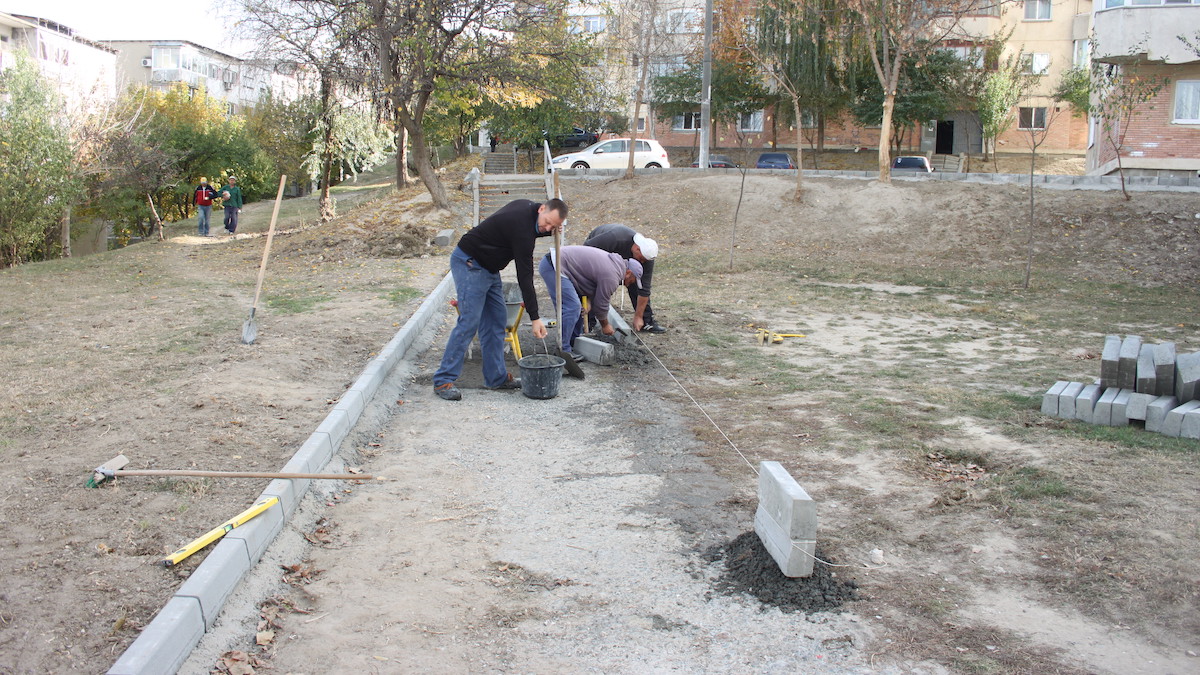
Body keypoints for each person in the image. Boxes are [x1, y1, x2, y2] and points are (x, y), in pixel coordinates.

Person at [433, 198, 568, 401]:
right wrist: (535, 317)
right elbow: (525, 277)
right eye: (548, 222)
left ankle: (496, 378)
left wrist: (549, 230)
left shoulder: (528, 208)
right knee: (469, 321)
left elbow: (532, 229)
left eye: (553, 227)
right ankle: (443, 380)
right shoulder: (522, 227)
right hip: (470, 263)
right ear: (542, 209)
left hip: (489, 268)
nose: (548, 228)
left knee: (497, 321)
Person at [538, 245, 642, 361]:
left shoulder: (614, 266)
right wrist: (605, 325)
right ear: (628, 273)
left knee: (579, 308)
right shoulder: (612, 276)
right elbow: (601, 305)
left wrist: (588, 301)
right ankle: (563, 350)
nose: (629, 284)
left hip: (562, 266)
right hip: (554, 265)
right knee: (572, 307)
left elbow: (591, 278)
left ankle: (573, 342)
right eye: (632, 280)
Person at [582, 223, 664, 333]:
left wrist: (638, 316)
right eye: (641, 259)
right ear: (637, 249)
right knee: (597, 282)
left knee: (635, 281)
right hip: (598, 251)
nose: (642, 262)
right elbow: (586, 250)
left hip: (621, 261)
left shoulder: (647, 258)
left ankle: (646, 321)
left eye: (644, 261)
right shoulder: (615, 238)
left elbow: (644, 289)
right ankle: (588, 321)